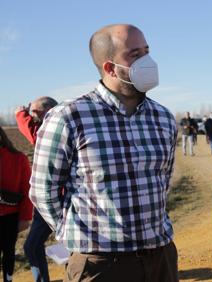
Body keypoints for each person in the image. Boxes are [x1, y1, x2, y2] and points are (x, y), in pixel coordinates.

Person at [29, 24, 178, 282]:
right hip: (99, 264)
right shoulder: (68, 117)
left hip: (160, 258)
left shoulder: (164, 118)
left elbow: (163, 181)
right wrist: (72, 234)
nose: (148, 61)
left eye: (147, 51)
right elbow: (42, 190)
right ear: (110, 68)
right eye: (135, 54)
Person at [15, 96, 58, 282]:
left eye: (36, 112)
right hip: (51, 199)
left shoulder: (52, 129)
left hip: (56, 200)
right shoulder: (51, 126)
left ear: (48, 110)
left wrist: (19, 114)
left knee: (32, 246)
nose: (33, 117)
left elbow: (32, 134)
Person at [0, 126, 33, 282]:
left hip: (10, 216)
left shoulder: (19, 159)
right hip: (9, 216)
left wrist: (25, 217)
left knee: (8, 252)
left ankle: (8, 279)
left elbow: (27, 190)